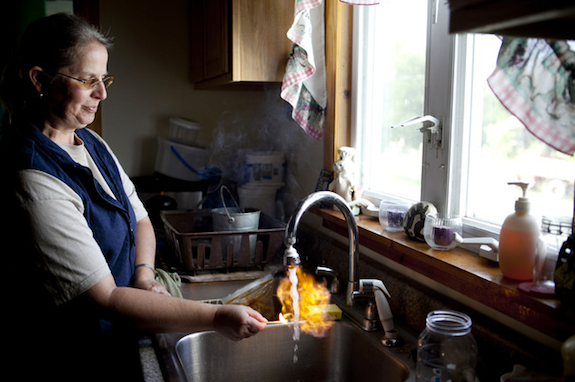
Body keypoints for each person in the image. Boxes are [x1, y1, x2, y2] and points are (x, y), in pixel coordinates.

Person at [0, 13, 267, 381]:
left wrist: (143, 274)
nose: (102, 93)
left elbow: (140, 218)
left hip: (116, 341)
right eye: (87, 80)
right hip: (72, 358)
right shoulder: (32, 177)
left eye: (104, 79)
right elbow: (106, 298)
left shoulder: (89, 142)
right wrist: (217, 316)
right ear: (40, 80)